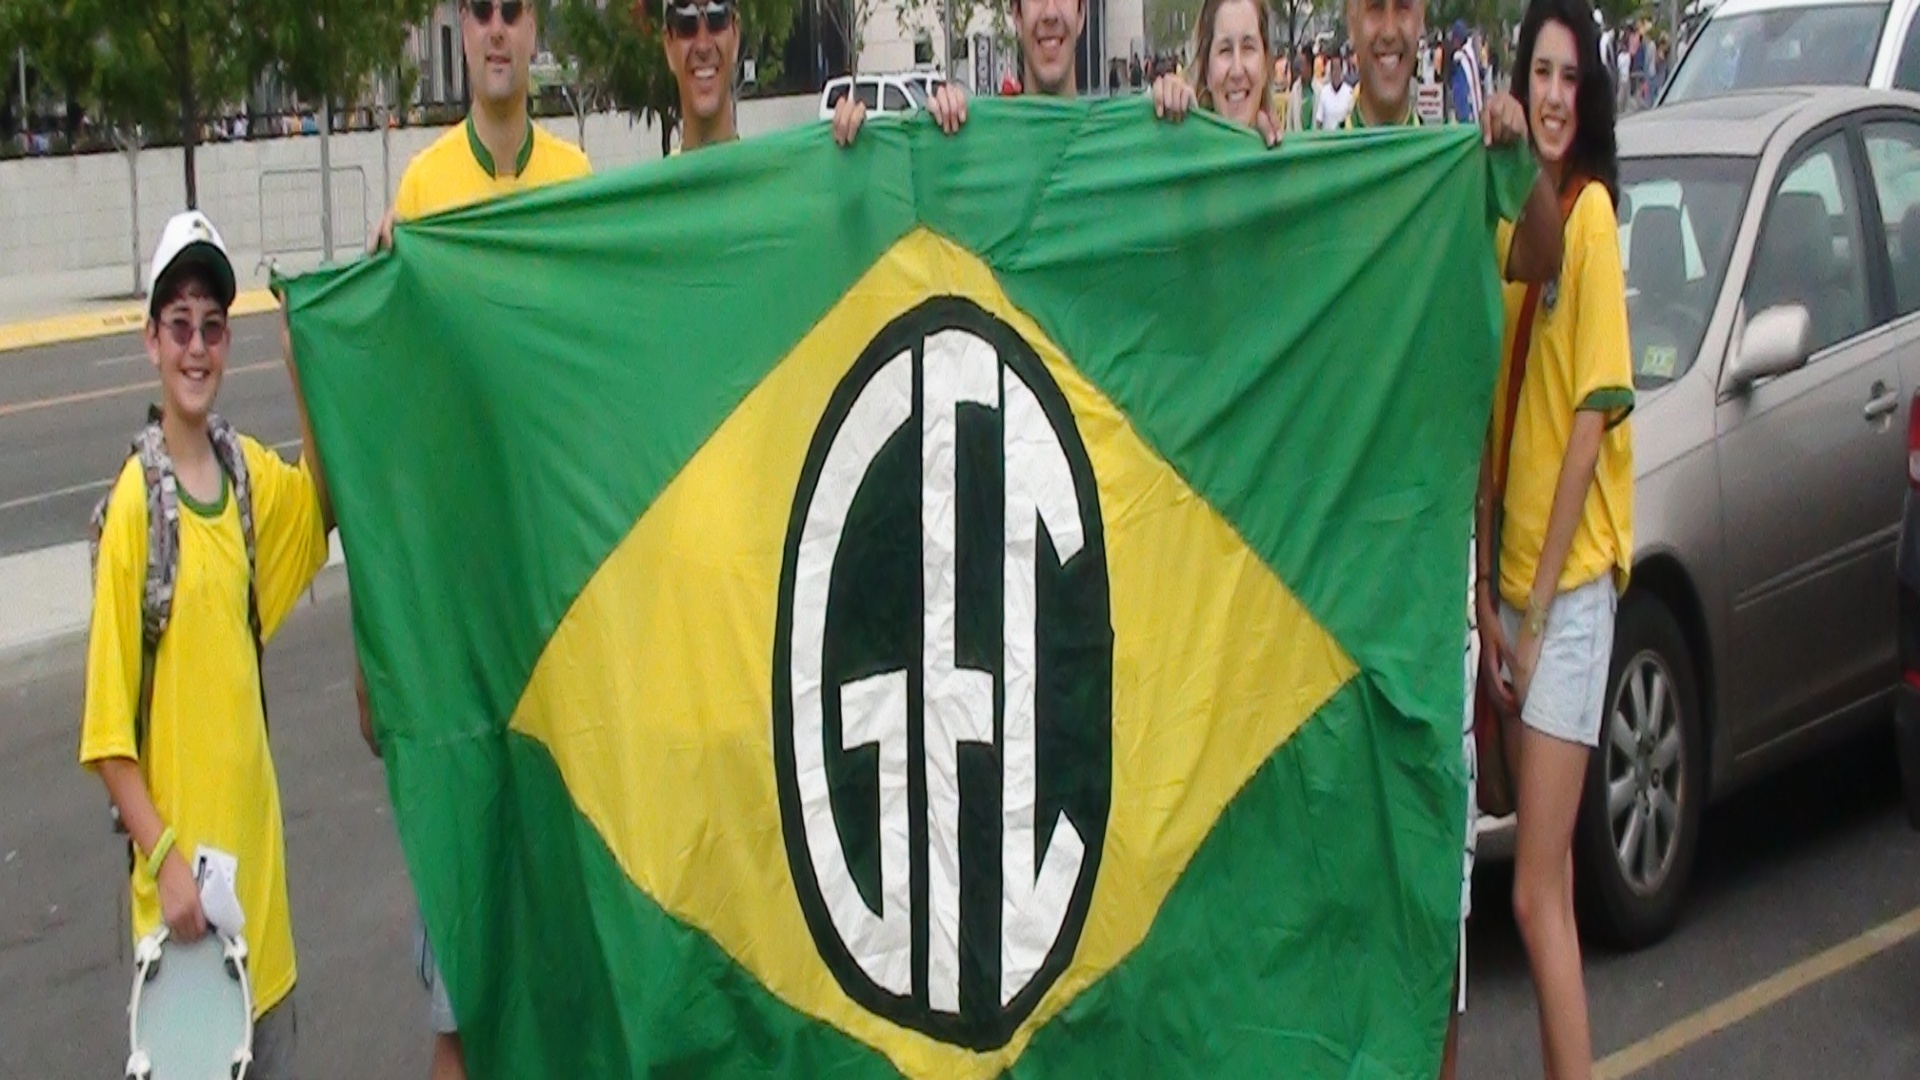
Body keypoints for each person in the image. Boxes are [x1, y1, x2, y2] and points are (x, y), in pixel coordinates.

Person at [362, 2, 591, 1076]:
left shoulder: (581, 183)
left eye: (515, 10)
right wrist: (381, 639)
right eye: (481, 10)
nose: (498, 31)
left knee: (567, 950)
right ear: (461, 26)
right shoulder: (421, 194)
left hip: (559, 618)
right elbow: (394, 437)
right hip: (462, 634)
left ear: (535, 26)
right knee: (463, 967)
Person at [81, 209, 334, 1080]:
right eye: (179, 324)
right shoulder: (132, 510)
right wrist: (167, 865)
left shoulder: (245, 479)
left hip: (261, 926)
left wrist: (308, 369)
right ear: (152, 340)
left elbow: (322, 502)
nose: (197, 347)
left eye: (213, 327)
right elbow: (110, 740)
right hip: (182, 936)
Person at [1476, 1, 1631, 1077]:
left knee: (1532, 896)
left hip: (1569, 594)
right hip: (1519, 594)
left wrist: (1531, 623)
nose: (1556, 95)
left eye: (1573, 77)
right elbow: (1494, 418)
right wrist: (1489, 593)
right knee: (1554, 899)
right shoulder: (1515, 222)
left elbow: (1589, 422)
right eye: (1542, 73)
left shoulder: (1592, 220)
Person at [1146, 0, 1280, 138]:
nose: (1237, 71)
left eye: (1248, 47)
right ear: (1206, 70)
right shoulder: (1182, 150)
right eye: (1225, 50)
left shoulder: (1289, 155)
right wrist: (1160, 121)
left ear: (1266, 65)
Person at [1314, 54, 1355, 128]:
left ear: (1342, 70)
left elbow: (1352, 119)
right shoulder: (1324, 92)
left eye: (1338, 69)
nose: (1336, 72)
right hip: (1327, 137)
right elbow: (1319, 120)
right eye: (1334, 69)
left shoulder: (1349, 92)